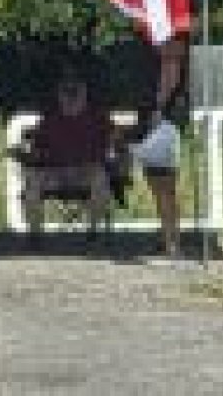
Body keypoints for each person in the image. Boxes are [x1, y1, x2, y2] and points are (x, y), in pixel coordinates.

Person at [20, 76, 114, 243]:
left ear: (84, 94)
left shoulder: (98, 118)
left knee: (101, 180)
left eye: (75, 91)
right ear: (59, 95)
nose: (71, 96)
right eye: (66, 91)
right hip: (54, 171)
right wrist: (27, 155)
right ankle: (34, 234)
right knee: (32, 182)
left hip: (86, 170)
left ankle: (93, 230)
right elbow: (37, 149)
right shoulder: (49, 119)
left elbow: (112, 145)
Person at [133, 34, 190, 258]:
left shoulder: (174, 61)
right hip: (154, 124)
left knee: (165, 186)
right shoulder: (155, 64)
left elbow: (169, 83)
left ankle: (172, 242)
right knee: (158, 186)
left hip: (164, 125)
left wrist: (159, 109)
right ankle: (168, 237)